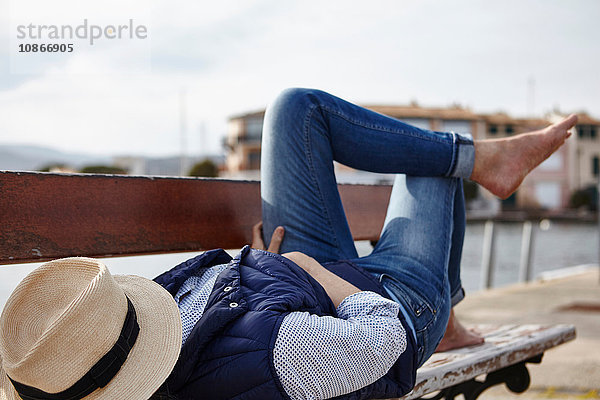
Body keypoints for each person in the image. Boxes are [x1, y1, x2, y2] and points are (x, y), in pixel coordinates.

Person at [0, 88, 577, 400]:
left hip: (295, 280)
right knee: (427, 167)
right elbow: (381, 343)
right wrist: (302, 266)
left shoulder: (117, 332)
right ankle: (448, 295)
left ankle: (481, 163)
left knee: (294, 110)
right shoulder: (269, 362)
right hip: (393, 303)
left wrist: (259, 265)